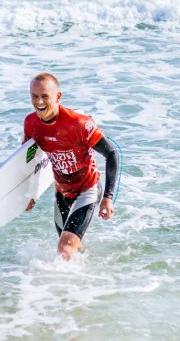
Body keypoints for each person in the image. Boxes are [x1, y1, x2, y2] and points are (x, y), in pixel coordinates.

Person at [23, 73, 119, 260]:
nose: (39, 102)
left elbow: (111, 154)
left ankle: (60, 286)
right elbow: (30, 160)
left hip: (87, 189)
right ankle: (90, 277)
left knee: (64, 247)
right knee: (70, 248)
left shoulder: (79, 124)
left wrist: (107, 197)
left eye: (45, 96)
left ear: (58, 97)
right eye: (34, 96)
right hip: (62, 192)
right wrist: (29, 193)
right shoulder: (31, 123)